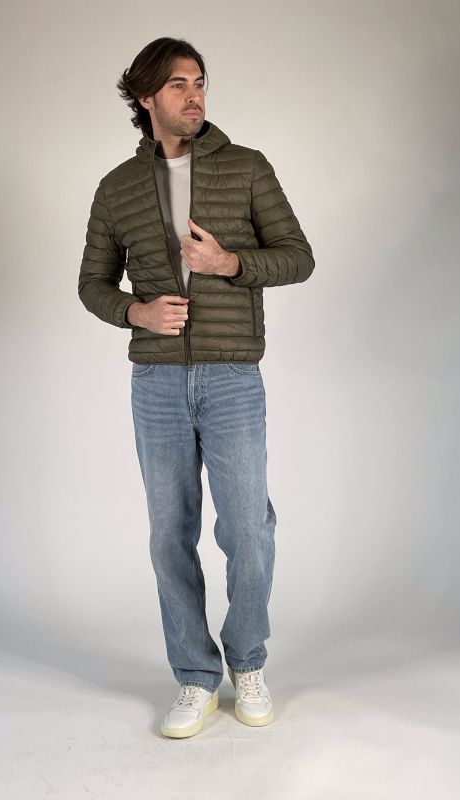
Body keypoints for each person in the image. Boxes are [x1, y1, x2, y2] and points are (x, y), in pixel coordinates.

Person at [78, 36, 315, 738]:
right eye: (178, 84)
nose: (194, 95)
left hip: (232, 374)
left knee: (248, 529)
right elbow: (91, 283)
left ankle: (248, 661)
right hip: (155, 380)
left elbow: (298, 256)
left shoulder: (246, 167)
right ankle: (194, 675)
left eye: (200, 82)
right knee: (168, 534)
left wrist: (230, 263)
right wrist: (136, 313)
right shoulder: (117, 187)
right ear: (145, 96)